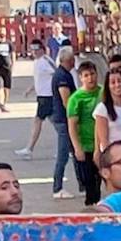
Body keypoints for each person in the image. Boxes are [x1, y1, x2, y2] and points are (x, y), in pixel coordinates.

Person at [65, 60, 103, 206]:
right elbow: (72, 125)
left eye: (92, 74)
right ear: (80, 78)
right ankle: (90, 206)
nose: (90, 78)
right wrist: (77, 148)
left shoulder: (103, 92)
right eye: (86, 75)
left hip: (101, 144)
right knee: (88, 180)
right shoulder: (75, 99)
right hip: (85, 145)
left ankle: (97, 204)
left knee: (99, 178)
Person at [15, 39, 55, 159]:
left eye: (37, 50)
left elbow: (55, 73)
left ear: (42, 50)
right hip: (42, 95)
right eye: (32, 50)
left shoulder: (44, 61)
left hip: (47, 96)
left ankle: (29, 148)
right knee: (57, 124)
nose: (34, 52)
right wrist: (31, 89)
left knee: (39, 121)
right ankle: (67, 147)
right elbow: (39, 80)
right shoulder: (38, 62)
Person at [49, 46, 78, 200]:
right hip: (63, 120)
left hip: (63, 119)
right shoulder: (62, 76)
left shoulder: (65, 74)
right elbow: (66, 100)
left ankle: (82, 183)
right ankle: (57, 187)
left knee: (75, 151)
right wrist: (75, 115)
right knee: (63, 154)